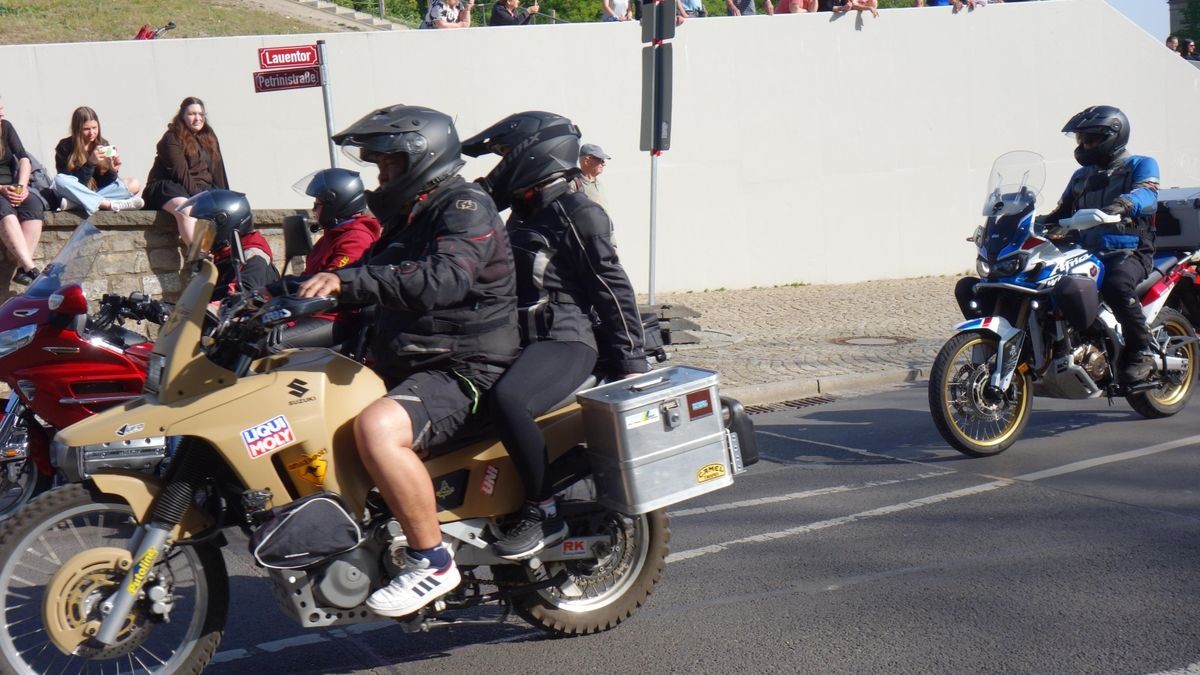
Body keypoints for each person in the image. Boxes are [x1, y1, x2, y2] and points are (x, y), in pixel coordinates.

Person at [296, 105, 519, 616]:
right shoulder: (411, 213)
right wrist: (279, 296)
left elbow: (444, 279)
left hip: (465, 367)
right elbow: (368, 274)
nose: (381, 175)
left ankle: (432, 560)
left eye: (388, 164)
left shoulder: (464, 207)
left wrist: (346, 282)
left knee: (377, 430)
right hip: (411, 360)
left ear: (420, 158)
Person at [462, 111, 648, 559]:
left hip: (565, 340)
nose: (498, 167)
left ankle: (542, 509)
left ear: (535, 156)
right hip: (518, 341)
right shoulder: (524, 214)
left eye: (506, 155)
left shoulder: (578, 213)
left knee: (509, 400)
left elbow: (612, 289)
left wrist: (632, 363)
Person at [955, 106, 1159, 385]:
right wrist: (1024, 221)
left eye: (1091, 139)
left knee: (1116, 285)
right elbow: (1061, 211)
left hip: (1128, 249)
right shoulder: (1081, 176)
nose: (1084, 145)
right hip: (1087, 249)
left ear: (1113, 136)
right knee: (1038, 284)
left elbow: (1147, 194)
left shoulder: (1140, 165)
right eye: (1081, 140)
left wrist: (1124, 204)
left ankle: (1141, 350)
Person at [273, 168, 381, 350]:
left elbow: (331, 283)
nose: (314, 209)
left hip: (337, 317)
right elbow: (308, 278)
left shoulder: (356, 238)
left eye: (318, 204)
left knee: (272, 343)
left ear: (335, 204)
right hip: (311, 312)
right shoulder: (329, 237)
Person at [143, 97, 230, 246]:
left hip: (200, 189)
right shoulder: (171, 138)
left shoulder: (209, 136)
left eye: (201, 114)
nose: (197, 118)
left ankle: (220, 253)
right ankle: (200, 259)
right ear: (182, 115)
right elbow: (181, 174)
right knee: (187, 210)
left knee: (225, 212)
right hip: (169, 187)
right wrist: (202, 200)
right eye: (192, 114)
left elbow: (218, 172)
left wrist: (224, 198)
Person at [180, 189, 279, 303]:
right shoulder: (225, 254)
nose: (203, 234)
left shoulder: (252, 257)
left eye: (207, 228)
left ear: (224, 225)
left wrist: (209, 308)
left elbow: (241, 296)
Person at [53, 106, 144, 215]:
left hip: (98, 192)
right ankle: (109, 204)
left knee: (133, 183)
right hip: (75, 192)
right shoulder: (65, 146)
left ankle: (76, 204)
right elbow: (73, 183)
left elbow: (103, 183)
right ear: (77, 129)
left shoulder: (103, 144)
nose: (92, 133)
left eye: (94, 128)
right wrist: (90, 163)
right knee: (60, 180)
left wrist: (112, 171)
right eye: (86, 129)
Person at [0, 97, 45, 286]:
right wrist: (2, 189)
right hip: (1, 191)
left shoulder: (6, 127)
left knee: (34, 203)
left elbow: (24, 159)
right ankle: (30, 267)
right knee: (4, 208)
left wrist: (22, 187)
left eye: (1, 106)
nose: (2, 112)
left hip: (13, 186)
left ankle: (21, 269)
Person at [576, 143, 610, 208]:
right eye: (600, 160)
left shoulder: (599, 183)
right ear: (586, 161)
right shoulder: (575, 186)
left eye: (603, 160)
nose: (603, 164)